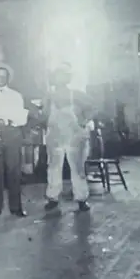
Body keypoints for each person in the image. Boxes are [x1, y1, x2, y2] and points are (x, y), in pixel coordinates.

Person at [42, 63, 94, 213]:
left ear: (68, 78)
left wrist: (84, 120)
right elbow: (44, 115)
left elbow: (93, 107)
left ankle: (82, 199)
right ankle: (52, 198)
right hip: (55, 137)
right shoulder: (49, 96)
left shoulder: (76, 94)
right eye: (58, 75)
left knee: (77, 169)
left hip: (74, 137)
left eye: (64, 75)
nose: (60, 78)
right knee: (53, 167)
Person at [0, 62, 30, 218]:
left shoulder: (16, 95)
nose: (1, 78)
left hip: (12, 133)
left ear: (8, 78)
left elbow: (21, 118)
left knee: (14, 171)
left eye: (4, 76)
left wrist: (9, 121)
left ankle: (16, 207)